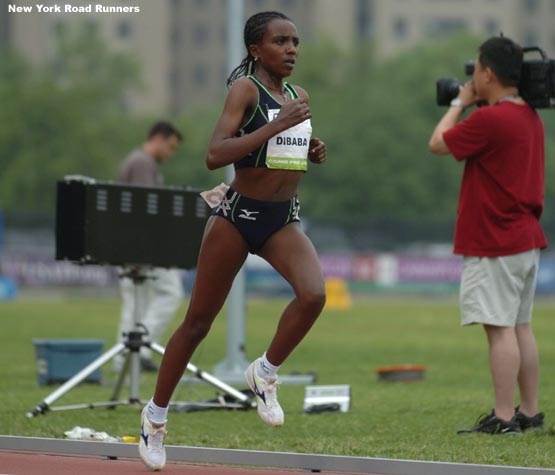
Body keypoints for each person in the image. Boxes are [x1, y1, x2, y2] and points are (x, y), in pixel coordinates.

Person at [138, 11, 327, 470]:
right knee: (197, 324)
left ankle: (264, 373)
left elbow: (279, 149)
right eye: (280, 41)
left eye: (295, 41)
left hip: (282, 218)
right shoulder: (245, 90)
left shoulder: (298, 95)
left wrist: (311, 147)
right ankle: (155, 418)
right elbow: (214, 153)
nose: (291, 49)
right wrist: (277, 126)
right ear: (255, 50)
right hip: (238, 216)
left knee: (314, 295)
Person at [429, 36, 547, 435]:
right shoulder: (529, 114)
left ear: (488, 74)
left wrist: (459, 103)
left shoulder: (489, 118)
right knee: (519, 326)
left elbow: (438, 144)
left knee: (499, 330)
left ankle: (503, 417)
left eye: (476, 71)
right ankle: (528, 411)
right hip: (525, 237)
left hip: (495, 238)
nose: (472, 77)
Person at [115, 121, 184, 373]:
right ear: (158, 138)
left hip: (129, 243)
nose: (170, 153)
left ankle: (126, 359)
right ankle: (140, 349)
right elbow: (147, 209)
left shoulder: (136, 161)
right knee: (170, 292)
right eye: (171, 147)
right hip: (142, 245)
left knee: (136, 303)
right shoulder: (143, 163)